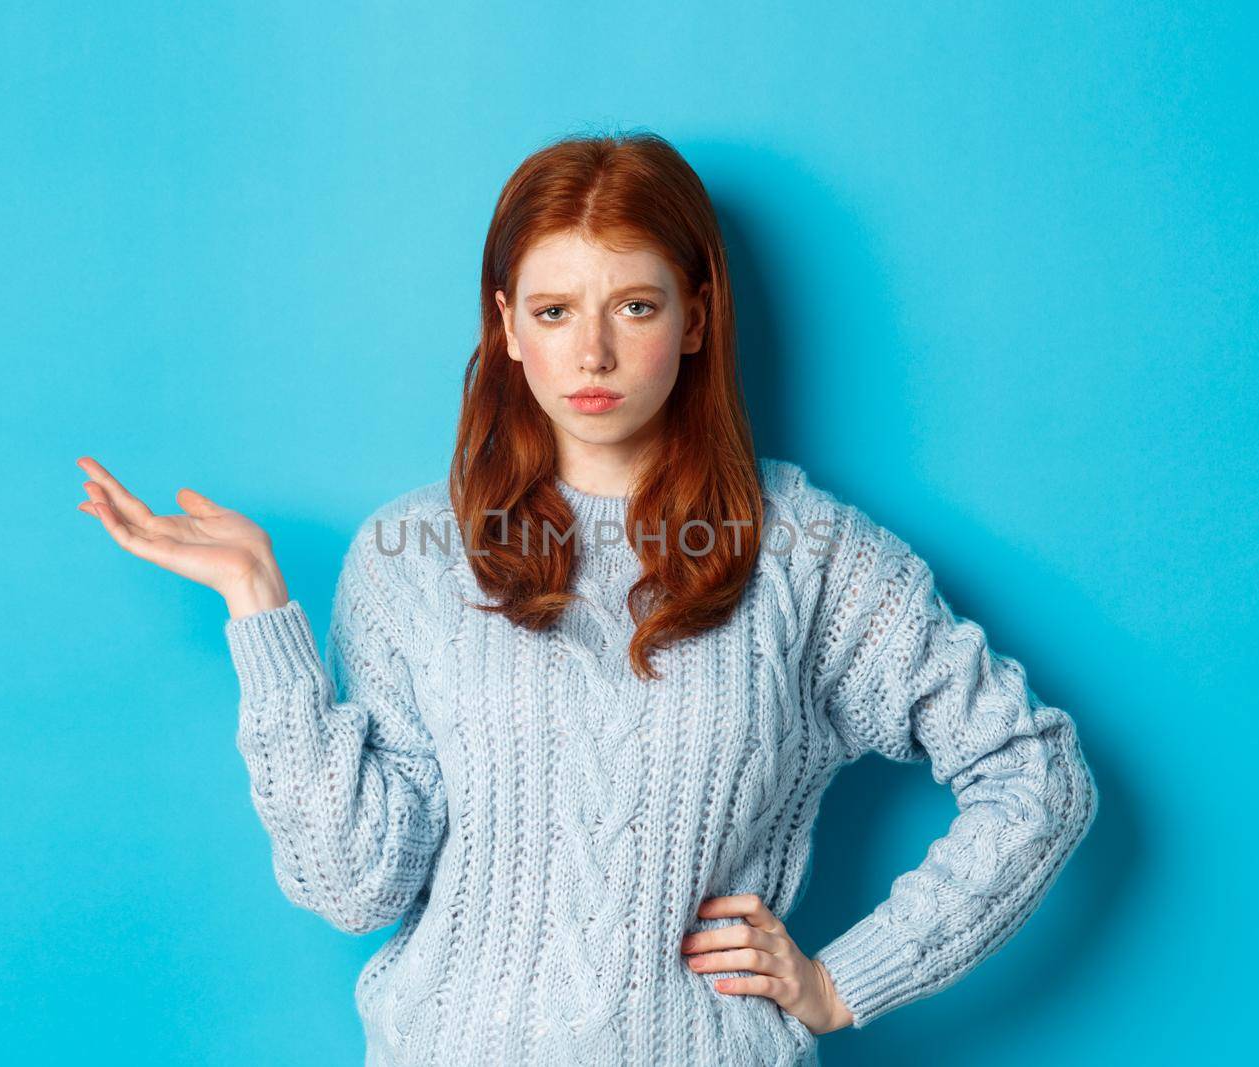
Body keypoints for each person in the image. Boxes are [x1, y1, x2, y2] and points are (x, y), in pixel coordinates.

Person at [75, 129, 1098, 1067]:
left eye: (635, 306)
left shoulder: (808, 551)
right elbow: (354, 885)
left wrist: (844, 980)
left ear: (696, 316)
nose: (593, 353)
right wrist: (259, 610)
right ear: (506, 325)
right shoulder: (412, 552)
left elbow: (1035, 772)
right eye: (555, 310)